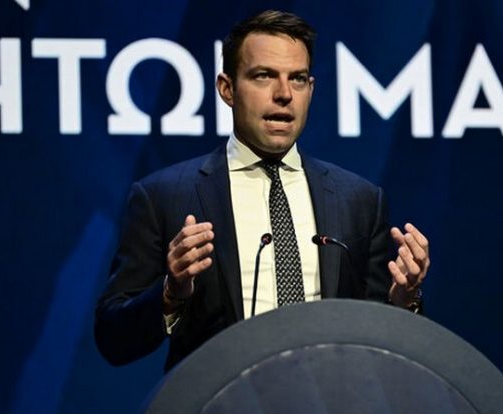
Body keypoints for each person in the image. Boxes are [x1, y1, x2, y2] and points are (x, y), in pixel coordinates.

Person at [95, 10, 430, 371]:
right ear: (227, 89)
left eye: (297, 79)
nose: (284, 94)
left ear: (311, 90)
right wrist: (169, 293)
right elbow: (114, 340)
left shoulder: (359, 200)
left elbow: (379, 341)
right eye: (263, 76)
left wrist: (403, 299)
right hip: (221, 403)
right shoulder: (165, 196)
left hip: (331, 399)